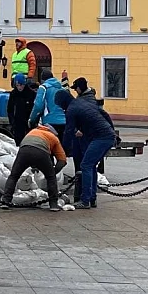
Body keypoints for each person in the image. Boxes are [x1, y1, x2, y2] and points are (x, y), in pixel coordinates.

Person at [63, 77, 116, 210]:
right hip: (103, 135)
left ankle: (85, 200)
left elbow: (69, 131)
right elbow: (103, 114)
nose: (75, 92)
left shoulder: (79, 103)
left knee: (86, 165)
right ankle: (91, 198)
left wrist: (63, 150)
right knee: (90, 165)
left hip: (101, 137)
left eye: (76, 89)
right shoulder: (90, 99)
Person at [1, 124, 66, 211]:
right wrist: (53, 172)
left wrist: (34, 165)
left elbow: (28, 148)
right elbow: (62, 160)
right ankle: (53, 204)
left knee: (14, 176)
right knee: (51, 178)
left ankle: (6, 201)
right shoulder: (53, 137)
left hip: (23, 151)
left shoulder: (32, 132)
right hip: (41, 152)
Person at [29, 69, 66, 142]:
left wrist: (32, 120)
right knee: (61, 149)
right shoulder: (61, 88)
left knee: (51, 147)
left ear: (43, 79)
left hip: (49, 122)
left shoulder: (43, 87)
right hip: (64, 122)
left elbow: (38, 106)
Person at [6, 73, 36, 145]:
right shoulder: (13, 94)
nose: (19, 87)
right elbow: (10, 109)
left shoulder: (31, 94)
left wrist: (32, 121)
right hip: (17, 123)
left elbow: (34, 108)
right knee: (18, 143)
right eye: (17, 85)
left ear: (24, 84)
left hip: (28, 122)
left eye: (21, 85)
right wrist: (12, 122)